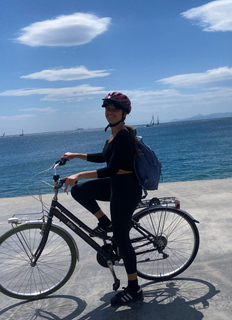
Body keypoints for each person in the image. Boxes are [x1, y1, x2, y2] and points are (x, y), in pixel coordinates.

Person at [61, 92, 143, 307]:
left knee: (122, 238)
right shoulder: (114, 135)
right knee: (79, 191)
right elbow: (104, 156)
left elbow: (112, 168)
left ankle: (134, 289)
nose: (110, 112)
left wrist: (79, 174)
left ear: (125, 113)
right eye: (108, 108)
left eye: (115, 109)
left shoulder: (124, 135)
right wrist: (76, 155)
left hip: (126, 190)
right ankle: (104, 222)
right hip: (115, 185)